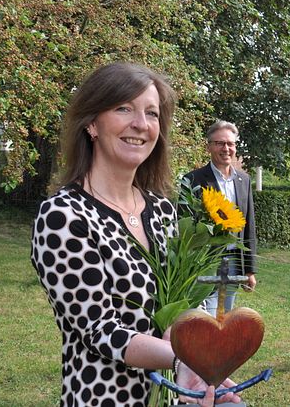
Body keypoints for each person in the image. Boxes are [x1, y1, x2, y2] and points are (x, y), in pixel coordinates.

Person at [31, 62, 240, 406]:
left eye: (152, 113)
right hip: (104, 397)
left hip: (170, 397)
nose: (141, 124)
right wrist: (184, 359)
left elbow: (185, 301)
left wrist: (198, 352)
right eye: (123, 108)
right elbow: (101, 331)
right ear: (92, 123)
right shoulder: (63, 215)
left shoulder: (161, 210)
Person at [183, 120, 258, 316]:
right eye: (220, 143)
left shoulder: (244, 180)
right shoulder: (193, 180)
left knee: (224, 313)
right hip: (204, 260)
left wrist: (250, 270)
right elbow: (185, 225)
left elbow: (248, 225)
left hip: (233, 260)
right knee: (203, 314)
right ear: (209, 146)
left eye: (230, 144)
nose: (226, 148)